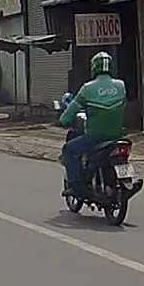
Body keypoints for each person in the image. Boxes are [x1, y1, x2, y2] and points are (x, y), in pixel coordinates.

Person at [58, 51, 126, 196]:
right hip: (117, 135)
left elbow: (69, 113)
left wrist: (63, 120)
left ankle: (76, 187)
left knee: (69, 150)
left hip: (95, 136)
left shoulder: (87, 88)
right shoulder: (121, 85)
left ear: (94, 67)